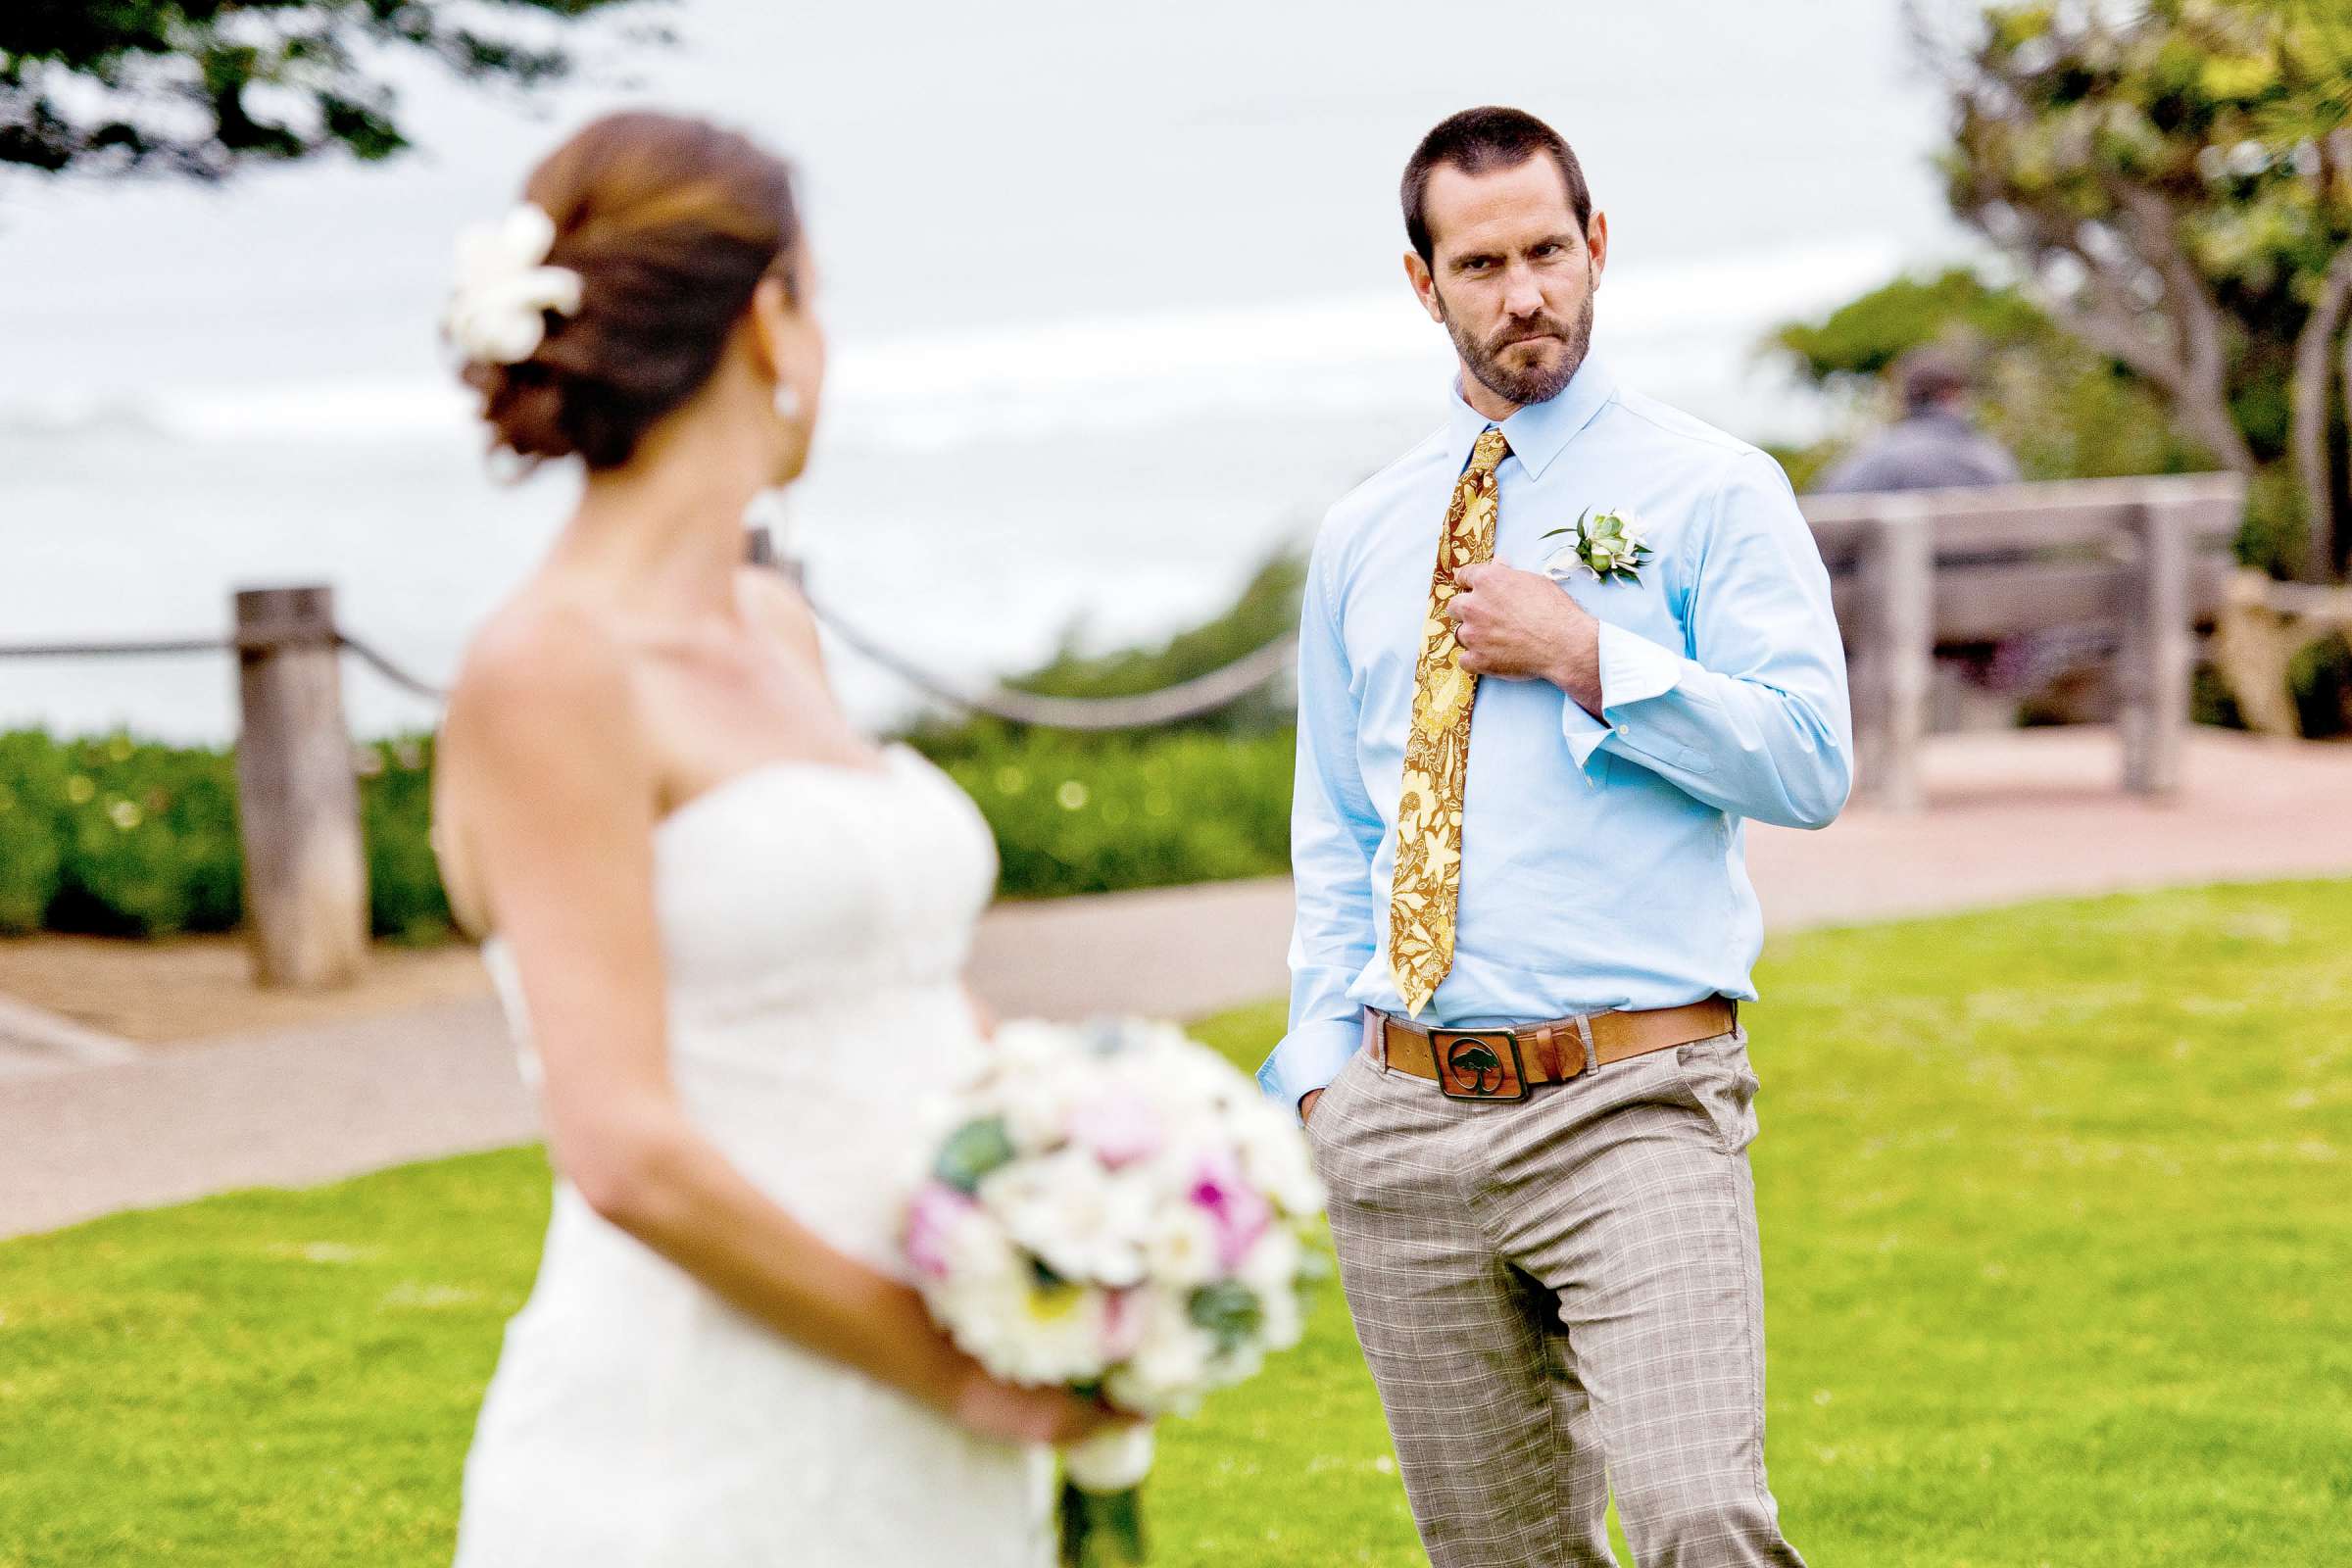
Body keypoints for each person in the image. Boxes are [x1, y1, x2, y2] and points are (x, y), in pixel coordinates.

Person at [427, 111, 1110, 1566]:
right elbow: (621, 1147)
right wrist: (949, 1373)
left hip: (931, 1438)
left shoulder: (772, 624)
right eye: (820, 294)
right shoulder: (550, 672)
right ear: (768, 322)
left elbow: (888, 980)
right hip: (697, 1451)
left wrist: (1101, 1195)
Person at [1259, 106, 1851, 1566]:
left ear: (1595, 249)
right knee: (1497, 1557)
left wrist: (1592, 653)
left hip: (1633, 1095)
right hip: (1400, 1122)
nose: (1522, 294)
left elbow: (1809, 758)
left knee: (1702, 1521)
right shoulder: (1366, 534)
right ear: (1424, 285)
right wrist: (1320, 1075)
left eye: (1545, 252)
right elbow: (1341, 828)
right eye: (1480, 265)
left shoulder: (1714, 490)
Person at [1812, 345, 2021, 494]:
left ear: (1906, 396)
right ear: (1955, 394)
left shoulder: (1877, 456)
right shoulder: (1995, 460)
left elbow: (1823, 510)